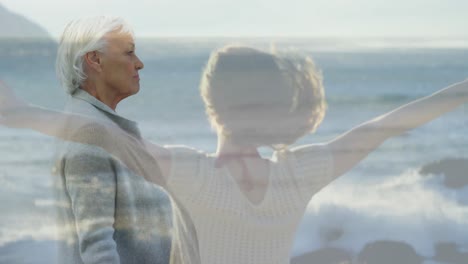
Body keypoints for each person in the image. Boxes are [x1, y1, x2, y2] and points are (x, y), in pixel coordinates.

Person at [0, 45, 467, 264]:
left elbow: (98, 133)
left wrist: (20, 113)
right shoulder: (300, 174)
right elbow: (386, 126)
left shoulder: (192, 174)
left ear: (212, 105)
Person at [38, 16, 174, 264]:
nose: (139, 63)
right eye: (129, 53)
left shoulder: (98, 126)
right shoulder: (89, 133)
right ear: (95, 60)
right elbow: (97, 247)